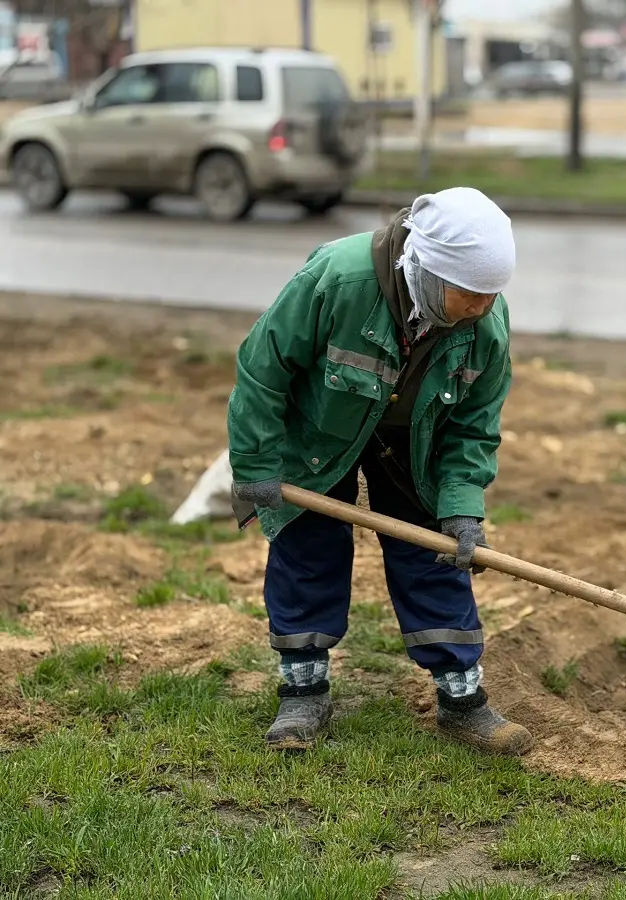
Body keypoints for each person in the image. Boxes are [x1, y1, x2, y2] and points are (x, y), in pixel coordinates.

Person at [226, 187, 533, 756]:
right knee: (307, 546)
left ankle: (461, 699)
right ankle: (303, 690)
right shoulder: (338, 280)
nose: (482, 308)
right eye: (470, 294)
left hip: (413, 442)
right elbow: (263, 371)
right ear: (428, 269)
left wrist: (462, 506)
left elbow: (473, 427)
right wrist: (257, 467)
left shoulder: (486, 326)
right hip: (320, 433)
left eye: (493, 295)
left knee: (436, 553)